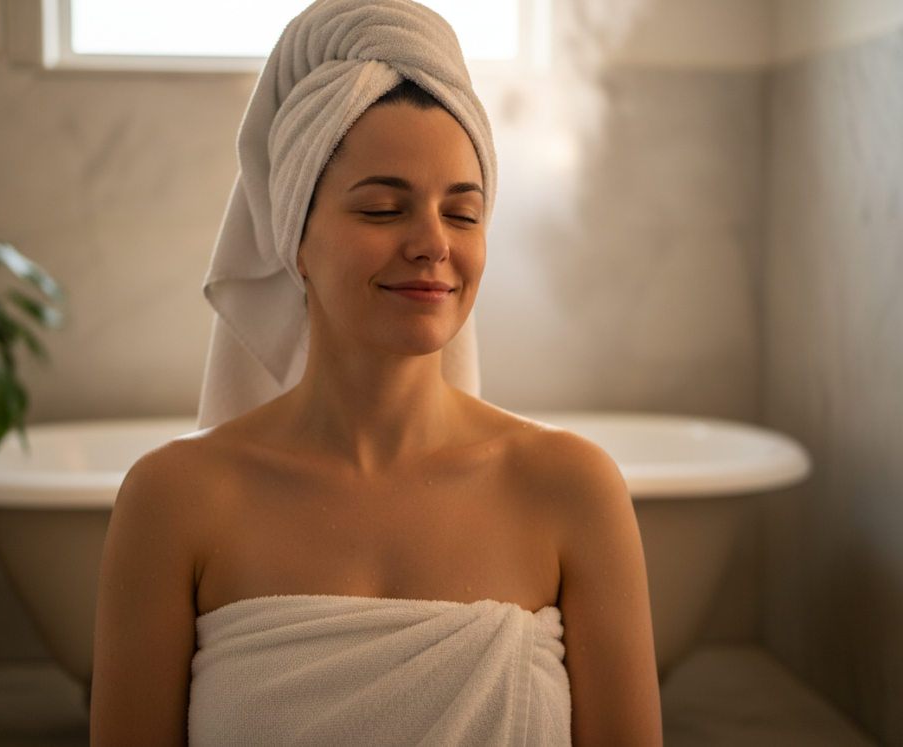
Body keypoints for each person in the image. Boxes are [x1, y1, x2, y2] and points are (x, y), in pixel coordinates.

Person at [90, 1, 661, 745]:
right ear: (295, 240)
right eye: (384, 208)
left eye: (463, 214)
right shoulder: (174, 501)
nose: (433, 243)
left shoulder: (571, 488)